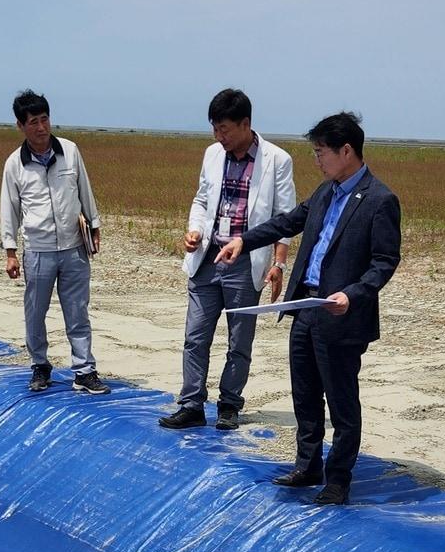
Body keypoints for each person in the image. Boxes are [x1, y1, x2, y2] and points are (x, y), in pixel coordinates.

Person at [216, 111, 400, 504]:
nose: (316, 161)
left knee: (341, 400)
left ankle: (338, 480)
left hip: (341, 312)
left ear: (346, 150)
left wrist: (352, 294)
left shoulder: (380, 199)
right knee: (305, 393)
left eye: (321, 153)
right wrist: (244, 242)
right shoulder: (324, 192)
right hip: (306, 307)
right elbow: (287, 222)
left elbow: (385, 261)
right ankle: (307, 465)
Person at [160, 88, 296, 432]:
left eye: (225, 129)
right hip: (208, 258)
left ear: (246, 124)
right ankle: (191, 403)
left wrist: (278, 265)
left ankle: (229, 404)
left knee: (240, 341)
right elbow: (201, 200)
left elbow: (285, 219)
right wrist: (194, 232)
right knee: (195, 336)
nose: (219, 137)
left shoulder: (277, 160)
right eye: (215, 129)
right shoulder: (212, 154)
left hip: (246, 262)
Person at [0, 89, 110, 394]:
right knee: (35, 312)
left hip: (74, 247)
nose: (41, 127)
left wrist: (95, 223)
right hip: (38, 250)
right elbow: (9, 209)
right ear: (21, 126)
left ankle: (84, 370)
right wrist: (10, 252)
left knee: (77, 310)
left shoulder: (70, 151)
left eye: (44, 119)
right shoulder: (15, 165)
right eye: (33, 121)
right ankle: (40, 366)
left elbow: (83, 189)